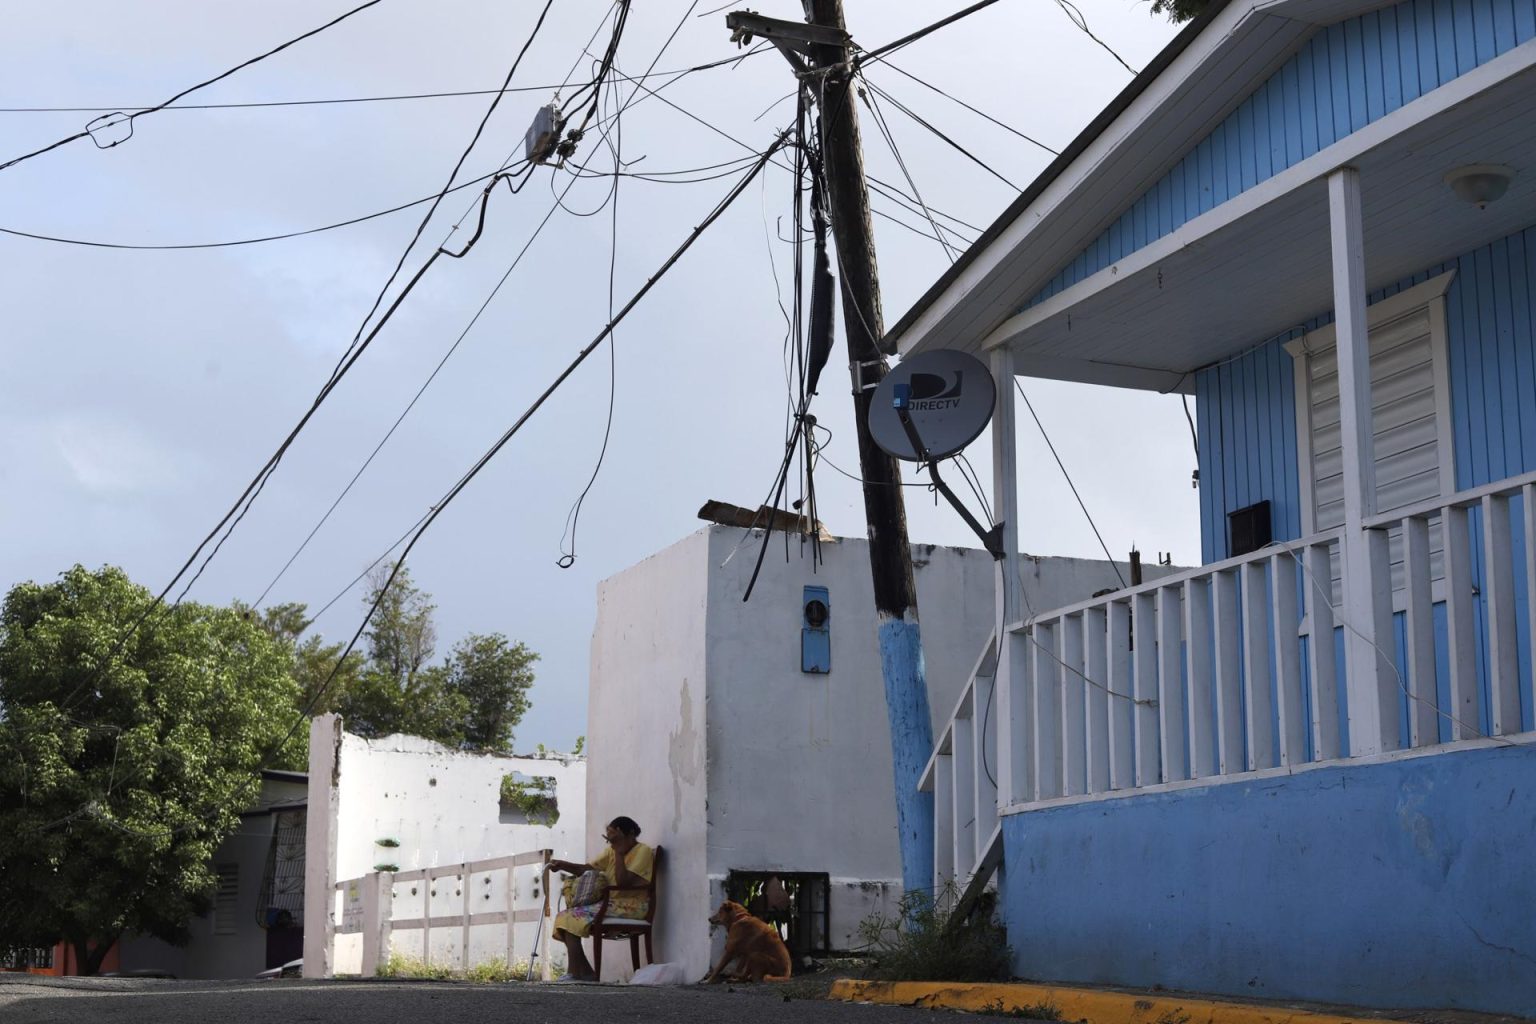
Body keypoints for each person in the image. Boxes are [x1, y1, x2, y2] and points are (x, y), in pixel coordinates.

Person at [548, 815, 654, 982]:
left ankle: (575, 973)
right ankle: (586, 973)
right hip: (610, 904)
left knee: (568, 917)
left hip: (632, 906)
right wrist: (563, 865)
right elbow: (587, 868)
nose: (612, 842)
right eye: (609, 838)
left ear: (630, 833)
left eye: (615, 837)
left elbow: (624, 882)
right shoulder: (612, 851)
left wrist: (619, 852)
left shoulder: (643, 851)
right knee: (565, 917)